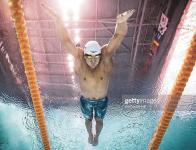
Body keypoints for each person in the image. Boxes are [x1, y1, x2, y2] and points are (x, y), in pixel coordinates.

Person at [42, 3, 135, 146]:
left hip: (102, 100)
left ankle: (96, 135)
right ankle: (89, 135)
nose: (93, 61)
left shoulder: (105, 56)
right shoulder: (79, 57)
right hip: (85, 100)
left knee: (99, 121)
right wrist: (58, 20)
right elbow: (65, 41)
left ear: (99, 54)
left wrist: (121, 22)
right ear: (84, 55)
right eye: (89, 58)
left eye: (96, 57)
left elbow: (118, 36)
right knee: (87, 120)